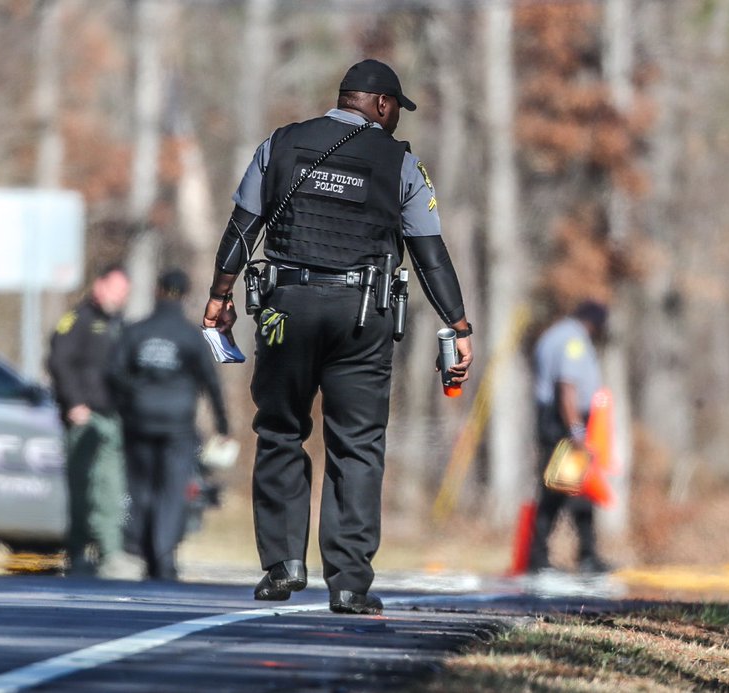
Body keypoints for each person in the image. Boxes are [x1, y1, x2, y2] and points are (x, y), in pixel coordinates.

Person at [202, 59, 474, 615]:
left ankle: (282, 564)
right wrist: (458, 324)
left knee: (279, 430)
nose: (397, 119)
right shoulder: (400, 162)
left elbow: (240, 228)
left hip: (286, 309)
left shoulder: (279, 144)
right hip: (361, 313)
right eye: (396, 108)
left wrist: (219, 297)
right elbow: (429, 253)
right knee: (357, 443)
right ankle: (348, 583)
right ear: (378, 104)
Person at [108, 269, 231, 581]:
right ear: (186, 295)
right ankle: (164, 556)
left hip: (139, 422)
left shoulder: (136, 331)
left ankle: (143, 550)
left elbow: (114, 373)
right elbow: (211, 382)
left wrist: (128, 403)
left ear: (158, 291)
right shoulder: (190, 336)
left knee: (142, 487)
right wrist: (222, 424)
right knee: (172, 491)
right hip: (178, 426)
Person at [47, 263, 131, 577]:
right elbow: (58, 360)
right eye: (115, 290)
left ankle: (109, 553)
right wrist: (74, 402)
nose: (119, 298)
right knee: (82, 488)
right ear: (99, 286)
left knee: (110, 488)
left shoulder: (118, 324)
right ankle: (79, 552)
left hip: (111, 417)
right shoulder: (78, 320)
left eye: (124, 293)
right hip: (85, 418)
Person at [528, 300, 612, 575]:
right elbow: (567, 387)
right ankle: (580, 556)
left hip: (556, 420)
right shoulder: (574, 341)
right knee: (569, 490)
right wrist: (576, 430)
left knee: (558, 489)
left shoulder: (553, 334)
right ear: (594, 323)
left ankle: (546, 555)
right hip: (565, 423)